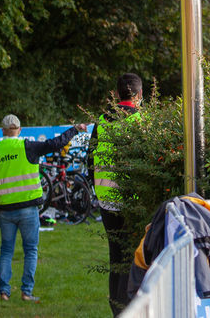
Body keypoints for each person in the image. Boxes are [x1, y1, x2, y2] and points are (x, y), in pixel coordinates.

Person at [0, 114, 85, 302]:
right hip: (28, 208)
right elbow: (55, 143)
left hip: (5, 210)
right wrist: (74, 129)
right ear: (20, 130)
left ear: (2, 131)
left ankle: (4, 292)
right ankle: (26, 292)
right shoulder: (28, 146)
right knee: (30, 250)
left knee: (6, 250)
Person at [87, 72, 143, 316]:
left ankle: (117, 308)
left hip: (106, 199)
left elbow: (89, 159)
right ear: (139, 95)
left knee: (116, 256)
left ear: (118, 94)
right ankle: (128, 308)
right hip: (132, 201)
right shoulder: (140, 120)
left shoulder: (101, 120)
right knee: (134, 257)